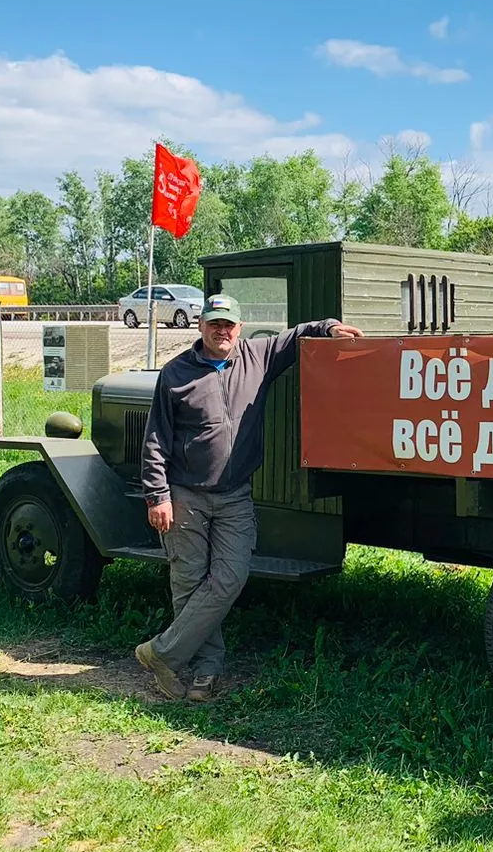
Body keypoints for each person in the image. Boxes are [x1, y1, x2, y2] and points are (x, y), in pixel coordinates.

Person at [135, 294, 363, 702]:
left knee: (229, 578)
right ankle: (206, 673)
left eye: (229, 324)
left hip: (235, 494)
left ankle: (162, 654)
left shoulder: (257, 357)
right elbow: (155, 440)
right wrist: (157, 495)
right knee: (188, 584)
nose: (221, 331)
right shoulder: (175, 373)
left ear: (239, 328)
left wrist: (328, 327)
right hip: (185, 495)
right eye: (214, 323)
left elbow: (295, 336)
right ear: (201, 325)